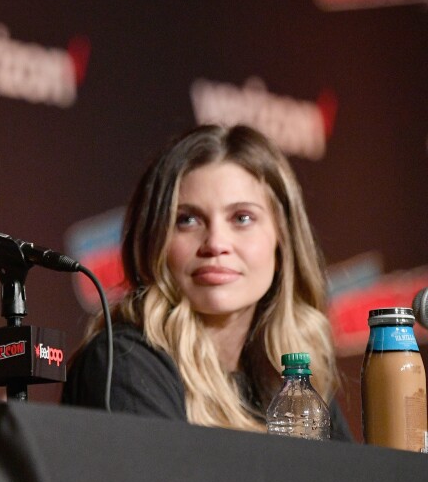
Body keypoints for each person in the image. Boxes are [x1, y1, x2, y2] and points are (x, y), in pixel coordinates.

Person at [62, 124, 352, 440]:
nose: (215, 243)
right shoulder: (124, 363)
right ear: (154, 242)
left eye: (242, 218)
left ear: (283, 242)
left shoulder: (294, 377)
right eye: (187, 220)